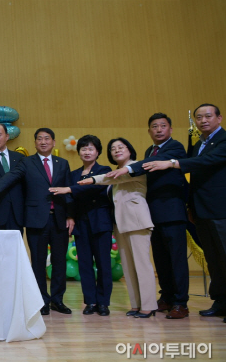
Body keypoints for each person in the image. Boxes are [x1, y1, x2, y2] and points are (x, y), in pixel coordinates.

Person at [143, 103, 226, 324]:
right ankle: (222, 301)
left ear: (219, 118)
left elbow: (207, 162)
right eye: (199, 117)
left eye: (207, 116)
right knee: (213, 259)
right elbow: (192, 179)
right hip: (201, 210)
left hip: (224, 209)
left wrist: (173, 163)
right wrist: (190, 206)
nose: (203, 120)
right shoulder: (197, 145)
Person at [0, 128, 75, 316]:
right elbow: (12, 177)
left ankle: (57, 300)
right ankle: (41, 300)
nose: (43, 142)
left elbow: (68, 191)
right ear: (35, 143)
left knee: (59, 261)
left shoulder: (63, 163)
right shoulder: (26, 161)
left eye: (47, 139)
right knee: (37, 261)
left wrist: (70, 215)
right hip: (36, 219)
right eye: (39, 139)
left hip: (59, 219)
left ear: (53, 142)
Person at [106, 113, 189, 319]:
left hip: (172, 212)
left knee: (177, 259)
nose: (159, 129)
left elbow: (154, 163)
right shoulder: (150, 151)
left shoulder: (175, 147)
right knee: (161, 260)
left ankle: (180, 302)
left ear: (170, 129)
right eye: (154, 126)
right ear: (149, 131)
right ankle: (167, 296)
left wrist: (128, 168)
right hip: (153, 213)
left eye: (163, 126)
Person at [80, 138, 158, 318]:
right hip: (121, 224)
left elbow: (111, 178)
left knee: (142, 264)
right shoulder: (117, 171)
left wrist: (91, 179)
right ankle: (136, 304)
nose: (117, 151)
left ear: (130, 149)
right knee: (129, 267)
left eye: (121, 147)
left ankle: (148, 305)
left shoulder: (136, 166)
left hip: (137, 221)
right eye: (113, 149)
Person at [49, 135, 114, 316]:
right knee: (84, 264)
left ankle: (103, 302)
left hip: (100, 222)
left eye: (91, 148)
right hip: (81, 223)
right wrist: (70, 215)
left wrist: (70, 189)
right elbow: (70, 199)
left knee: (103, 264)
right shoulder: (74, 174)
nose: (87, 152)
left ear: (98, 152)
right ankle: (90, 301)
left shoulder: (105, 170)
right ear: (79, 152)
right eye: (84, 149)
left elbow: (94, 187)